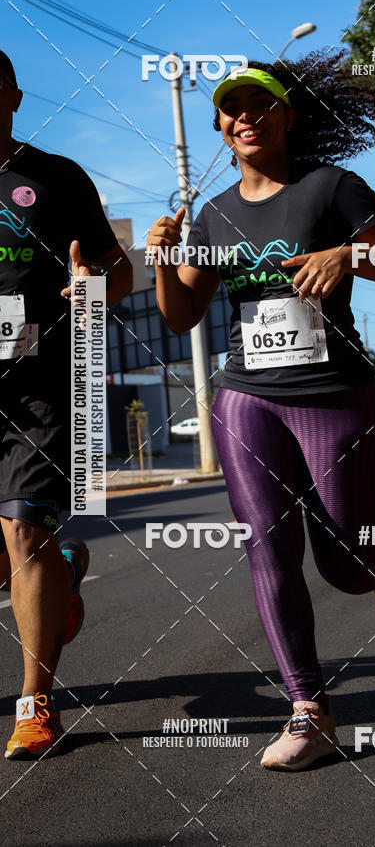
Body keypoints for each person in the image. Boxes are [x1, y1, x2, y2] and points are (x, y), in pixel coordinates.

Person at [148, 52, 375, 771]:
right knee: (266, 546)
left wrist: (348, 257)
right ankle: (308, 708)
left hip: (335, 393)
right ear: (220, 126)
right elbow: (181, 316)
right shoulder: (214, 214)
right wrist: (162, 260)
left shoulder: (330, 187)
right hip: (247, 397)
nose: (246, 117)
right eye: (232, 109)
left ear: (288, 116)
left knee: (342, 562)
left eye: (260, 105)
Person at [0, 50, 133, 759]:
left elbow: (120, 271)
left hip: (43, 383)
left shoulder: (56, 177)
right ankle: (65, 575)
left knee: (24, 532)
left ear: (14, 97)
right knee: (13, 556)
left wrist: (90, 287)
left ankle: (35, 704)